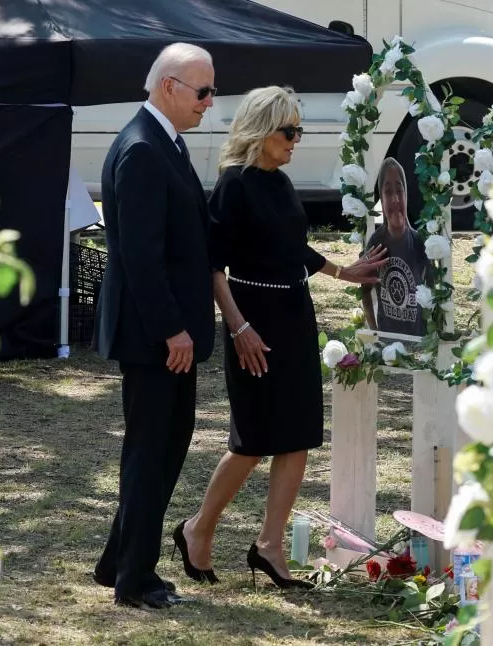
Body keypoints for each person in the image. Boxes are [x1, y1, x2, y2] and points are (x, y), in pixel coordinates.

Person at [173, 86, 386, 589]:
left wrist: (342, 272)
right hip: (253, 320)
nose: (296, 140)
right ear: (261, 131)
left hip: (293, 314)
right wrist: (239, 326)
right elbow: (213, 266)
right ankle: (197, 529)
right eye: (289, 131)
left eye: (299, 131)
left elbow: (293, 248)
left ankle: (269, 547)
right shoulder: (234, 185)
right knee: (253, 439)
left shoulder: (281, 183)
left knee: (299, 434)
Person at [91, 43, 217, 609]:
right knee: (151, 451)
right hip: (156, 337)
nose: (210, 103)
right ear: (169, 86)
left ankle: (120, 558)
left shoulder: (162, 141)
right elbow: (140, 256)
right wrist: (173, 329)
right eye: (203, 91)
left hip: (167, 333)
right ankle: (135, 579)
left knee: (165, 445)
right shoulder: (142, 149)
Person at [360, 158, 431, 337]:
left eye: (399, 191)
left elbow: (434, 286)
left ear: (406, 194)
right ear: (381, 200)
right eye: (388, 192)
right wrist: (375, 331)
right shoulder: (376, 242)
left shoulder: (419, 241)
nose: (395, 199)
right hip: (388, 339)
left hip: (418, 339)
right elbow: (365, 291)